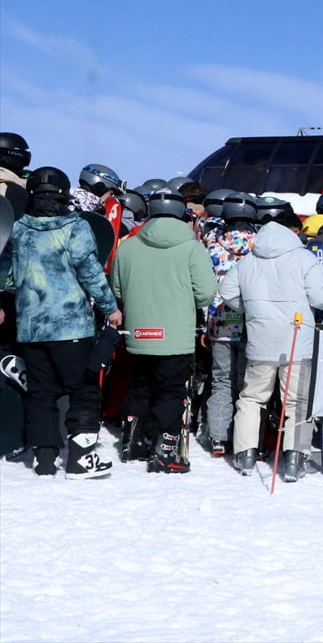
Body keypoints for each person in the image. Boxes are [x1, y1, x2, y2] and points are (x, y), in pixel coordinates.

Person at [1, 166, 122, 478]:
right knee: (83, 388)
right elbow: (90, 272)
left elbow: (8, 274)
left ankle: (44, 458)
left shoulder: (19, 230)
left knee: (41, 392)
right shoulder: (76, 228)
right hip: (71, 326)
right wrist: (111, 307)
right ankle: (81, 457)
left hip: (31, 327)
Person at [219, 211, 323, 480]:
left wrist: (252, 310)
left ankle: (245, 455)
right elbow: (322, 299)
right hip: (297, 339)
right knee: (297, 401)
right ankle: (295, 459)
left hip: (260, 339)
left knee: (251, 398)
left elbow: (226, 292)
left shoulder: (248, 260)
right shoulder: (304, 258)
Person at [109, 189, 216, 474]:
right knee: (170, 390)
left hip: (139, 333)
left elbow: (117, 289)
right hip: (176, 334)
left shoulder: (128, 246)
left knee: (139, 384)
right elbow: (206, 294)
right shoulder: (192, 247)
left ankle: (132, 439)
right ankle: (165, 448)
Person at [199, 193, 257, 456]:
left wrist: (204, 321)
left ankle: (218, 437)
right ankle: (245, 439)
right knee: (248, 383)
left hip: (221, 318)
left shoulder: (212, 244)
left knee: (221, 380)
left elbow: (204, 286)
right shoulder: (261, 246)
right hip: (251, 318)